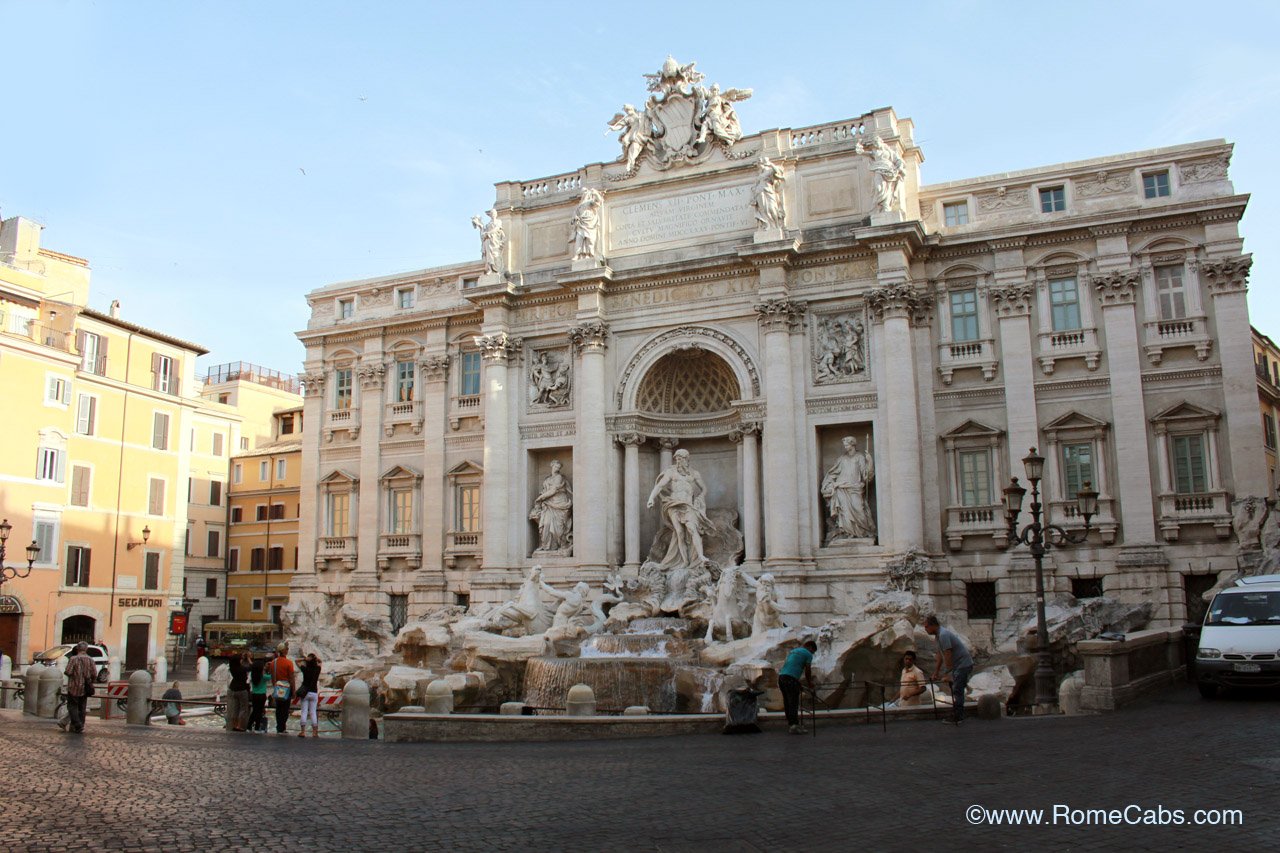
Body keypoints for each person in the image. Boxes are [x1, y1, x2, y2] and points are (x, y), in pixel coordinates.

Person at [646, 448, 714, 571]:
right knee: (680, 533)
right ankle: (685, 561)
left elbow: (704, 488)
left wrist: (700, 497)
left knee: (693, 529)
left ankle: (700, 556)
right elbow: (660, 485)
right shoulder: (671, 472)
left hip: (688, 505)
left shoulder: (694, 473)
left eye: (681, 459)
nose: (678, 461)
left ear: (687, 459)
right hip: (674, 504)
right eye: (677, 459)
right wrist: (651, 498)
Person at [821, 436, 876, 542]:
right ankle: (848, 533)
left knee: (859, 508)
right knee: (845, 511)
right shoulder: (842, 458)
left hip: (855, 487)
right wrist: (828, 484)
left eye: (847, 445)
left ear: (852, 444)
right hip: (841, 487)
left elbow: (866, 475)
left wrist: (870, 462)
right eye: (844, 445)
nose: (845, 447)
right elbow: (834, 473)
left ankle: (862, 532)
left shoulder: (860, 457)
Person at [925, 615, 974, 724]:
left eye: (927, 627)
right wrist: (936, 672)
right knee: (956, 688)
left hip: (963, 664)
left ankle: (958, 716)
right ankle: (956, 713)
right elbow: (940, 654)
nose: (926, 630)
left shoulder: (943, 635)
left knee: (957, 689)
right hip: (959, 665)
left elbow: (948, 653)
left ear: (933, 625)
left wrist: (947, 673)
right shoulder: (938, 636)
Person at [529, 460, 573, 554]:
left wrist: (540, 498)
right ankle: (546, 546)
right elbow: (544, 490)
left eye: (559, 467)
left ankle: (560, 545)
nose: (557, 469)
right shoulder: (547, 479)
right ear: (552, 466)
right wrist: (541, 498)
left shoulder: (559, 477)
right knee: (546, 523)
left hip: (560, 502)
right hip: (549, 504)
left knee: (560, 527)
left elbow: (553, 491)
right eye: (556, 467)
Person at [777, 640, 817, 735]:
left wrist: (797, 683)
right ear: (811, 648)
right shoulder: (808, 654)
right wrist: (809, 682)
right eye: (813, 651)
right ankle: (794, 726)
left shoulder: (794, 651)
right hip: (791, 679)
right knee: (793, 702)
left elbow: (791, 667)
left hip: (782, 677)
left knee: (787, 701)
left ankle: (791, 723)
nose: (812, 653)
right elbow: (808, 670)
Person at [61, 642, 97, 734]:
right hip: (85, 687)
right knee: (82, 707)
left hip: (74, 686)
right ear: (86, 649)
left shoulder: (73, 659)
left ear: (77, 649)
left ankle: (77, 724)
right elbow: (94, 674)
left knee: (72, 706)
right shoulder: (90, 659)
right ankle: (81, 724)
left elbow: (68, 672)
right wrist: (91, 681)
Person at [267, 643, 296, 734]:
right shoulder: (289, 663)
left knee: (278, 708)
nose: (288, 650)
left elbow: (272, 676)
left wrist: (275, 686)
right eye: (287, 649)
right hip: (287, 688)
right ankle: (282, 727)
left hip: (278, 687)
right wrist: (294, 690)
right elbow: (291, 678)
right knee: (285, 708)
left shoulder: (273, 662)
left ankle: (278, 726)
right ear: (284, 651)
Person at [296, 652, 322, 738]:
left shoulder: (305, 669)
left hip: (305, 693)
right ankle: (315, 732)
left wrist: (304, 659)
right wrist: (315, 658)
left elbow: (296, 661)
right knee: (313, 712)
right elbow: (320, 661)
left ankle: (303, 732)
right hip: (314, 692)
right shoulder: (317, 669)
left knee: (304, 712)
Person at [226, 651, 250, 732]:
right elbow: (250, 667)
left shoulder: (232, 668)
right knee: (243, 708)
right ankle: (239, 726)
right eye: (240, 659)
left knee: (235, 709)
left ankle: (234, 725)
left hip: (233, 689)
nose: (241, 661)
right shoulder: (242, 669)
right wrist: (249, 659)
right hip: (242, 689)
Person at [248, 657, 270, 733]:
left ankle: (249, 726)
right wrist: (268, 669)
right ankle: (257, 727)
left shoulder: (253, 676)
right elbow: (271, 676)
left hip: (254, 694)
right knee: (259, 711)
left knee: (254, 711)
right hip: (261, 695)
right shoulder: (263, 677)